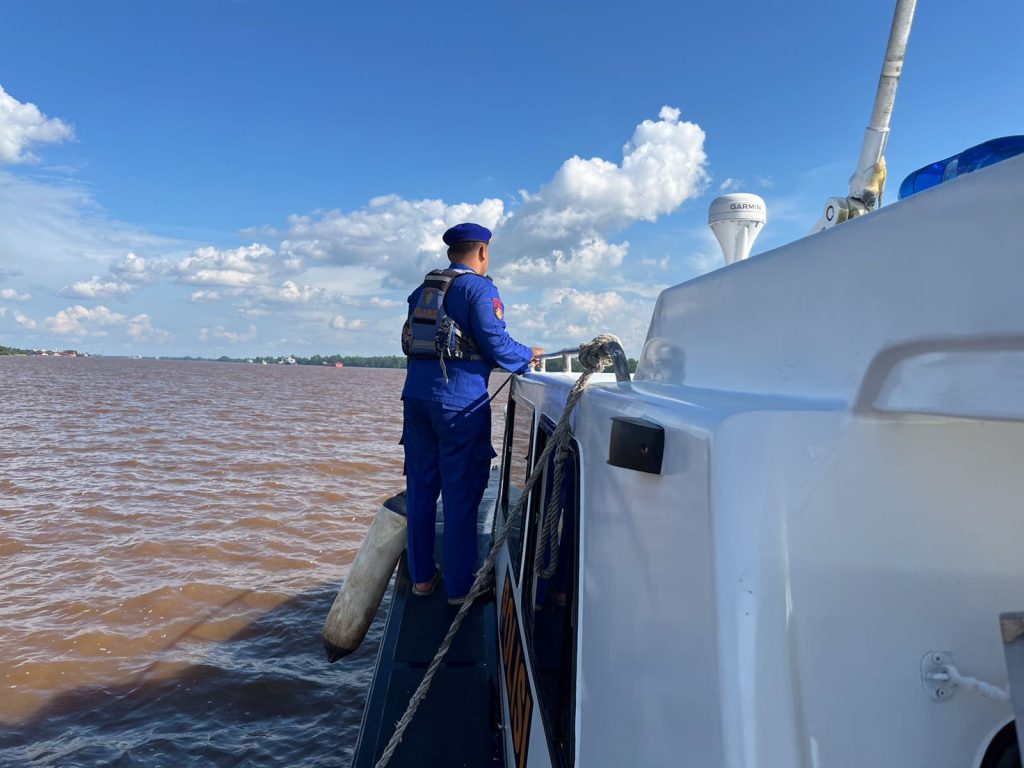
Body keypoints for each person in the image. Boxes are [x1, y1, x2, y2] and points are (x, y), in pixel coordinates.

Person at [401, 222, 542, 604]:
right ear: (482, 251)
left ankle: (422, 578)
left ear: (451, 252)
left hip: (415, 400)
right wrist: (528, 355)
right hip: (459, 404)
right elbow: (495, 341)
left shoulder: (423, 290)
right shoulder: (478, 289)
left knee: (421, 489)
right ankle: (461, 588)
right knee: (461, 494)